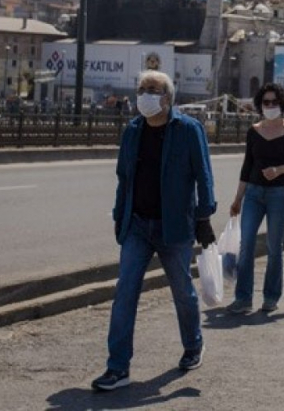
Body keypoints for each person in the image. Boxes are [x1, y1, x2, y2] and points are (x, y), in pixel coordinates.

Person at [92, 71, 217, 391]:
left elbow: (204, 175)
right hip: (137, 224)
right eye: (142, 89)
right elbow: (124, 178)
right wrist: (121, 217)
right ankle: (117, 367)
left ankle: (193, 345)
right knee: (125, 294)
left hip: (175, 226)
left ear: (168, 97)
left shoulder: (189, 130)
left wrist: (204, 217)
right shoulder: (133, 131)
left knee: (183, 293)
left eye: (153, 89)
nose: (145, 94)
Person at [226, 83, 284, 315]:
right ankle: (243, 299)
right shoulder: (254, 130)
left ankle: (271, 297)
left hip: (278, 194)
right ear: (260, 105)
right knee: (247, 245)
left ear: (282, 104)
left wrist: (281, 170)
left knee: (274, 247)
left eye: (274, 102)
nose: (270, 106)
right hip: (253, 193)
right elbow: (247, 165)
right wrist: (237, 199)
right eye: (266, 102)